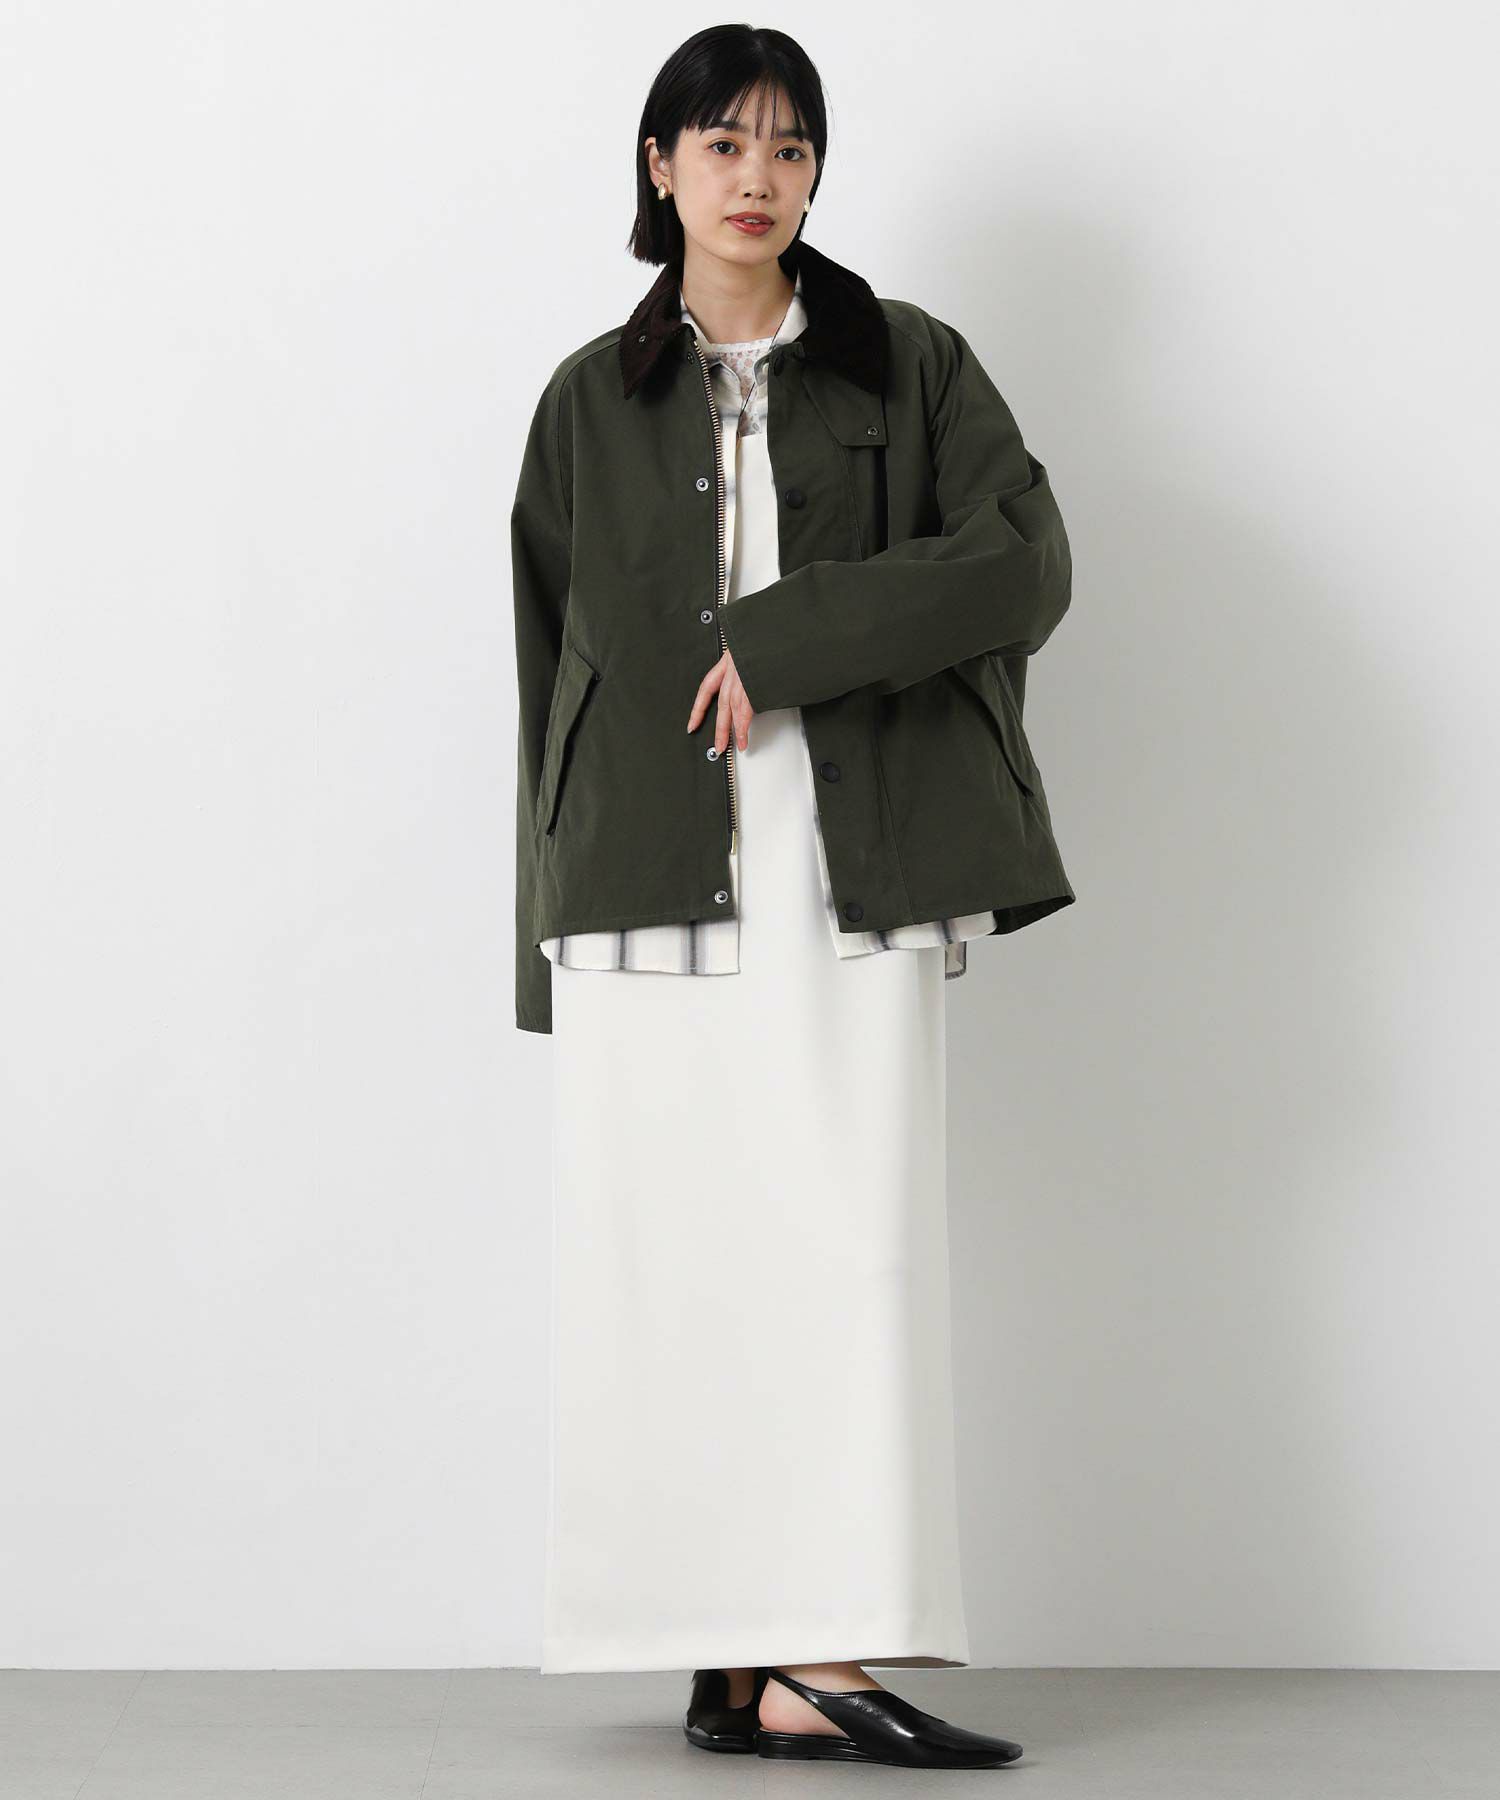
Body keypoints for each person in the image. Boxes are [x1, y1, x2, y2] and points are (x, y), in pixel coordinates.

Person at [510, 24, 1076, 1773]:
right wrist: (540, 939)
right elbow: (544, 674)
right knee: (676, 1265)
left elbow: (1025, 561)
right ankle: (743, 1656)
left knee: (850, 1246)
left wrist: (791, 638)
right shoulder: (586, 400)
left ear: (818, 172)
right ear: (660, 166)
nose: (758, 177)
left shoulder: (910, 363)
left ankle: (813, 1647)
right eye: (723, 142)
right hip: (642, 880)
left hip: (854, 858)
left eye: (790, 146)